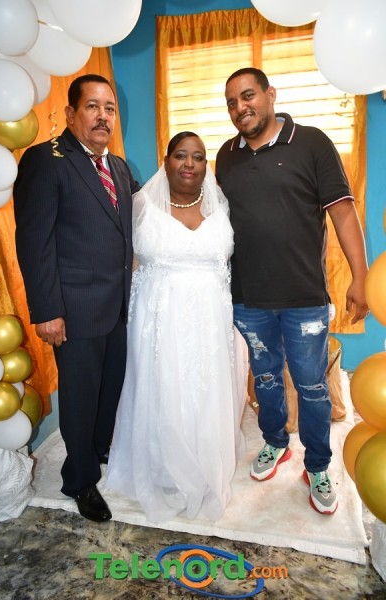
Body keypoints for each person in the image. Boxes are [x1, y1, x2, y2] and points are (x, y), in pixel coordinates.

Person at [216, 67, 369, 515]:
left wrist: (360, 278)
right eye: (231, 102)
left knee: (311, 385)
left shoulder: (312, 142)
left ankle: (317, 465)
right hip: (248, 297)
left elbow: (343, 212)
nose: (240, 107)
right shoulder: (225, 156)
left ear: (271, 94)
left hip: (304, 297)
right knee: (265, 377)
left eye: (248, 96)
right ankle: (275, 442)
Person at [13, 74, 140, 522]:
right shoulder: (45, 161)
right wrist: (47, 310)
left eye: (110, 108)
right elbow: (34, 242)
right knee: (81, 398)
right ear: (70, 114)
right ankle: (80, 480)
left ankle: (99, 450)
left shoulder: (118, 167)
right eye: (93, 106)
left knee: (110, 389)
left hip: (117, 306)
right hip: (74, 309)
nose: (103, 116)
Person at [106, 132, 246, 523]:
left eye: (198, 157)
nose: (189, 164)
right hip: (158, 319)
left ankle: (203, 459)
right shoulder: (141, 206)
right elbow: (124, 261)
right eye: (181, 155)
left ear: (206, 165)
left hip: (209, 319)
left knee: (203, 388)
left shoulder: (221, 206)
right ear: (166, 161)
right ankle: (161, 466)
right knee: (163, 386)